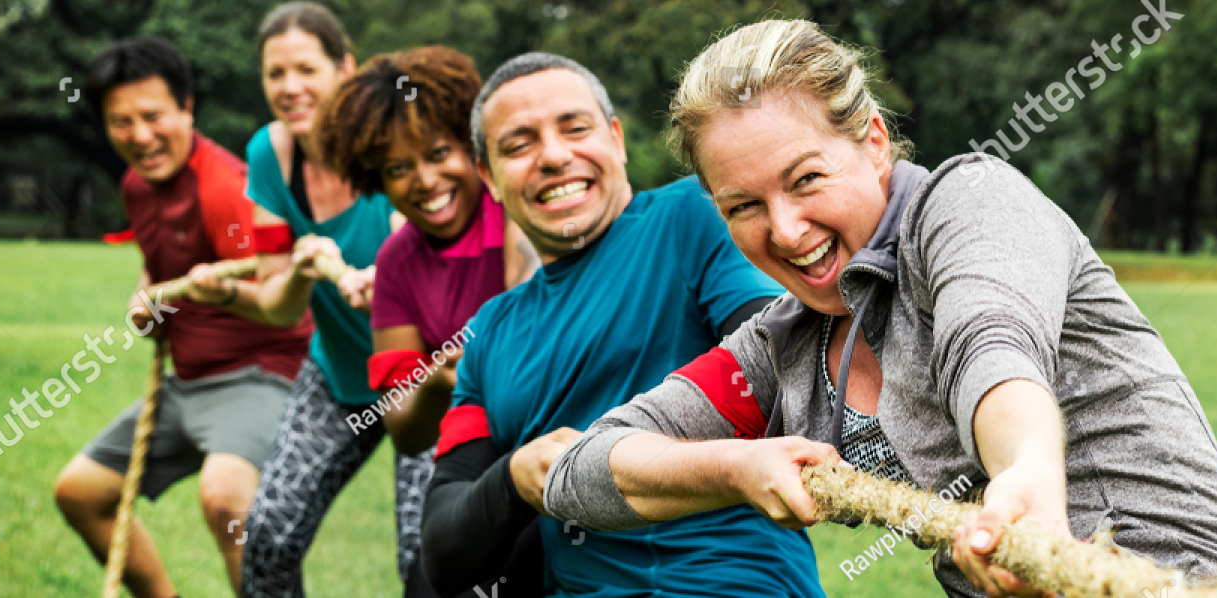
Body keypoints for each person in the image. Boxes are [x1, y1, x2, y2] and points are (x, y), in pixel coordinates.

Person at [544, 20, 1217, 598]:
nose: (784, 230)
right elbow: (580, 473)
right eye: (743, 205)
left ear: (874, 142)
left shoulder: (969, 204)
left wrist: (1026, 477)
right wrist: (738, 465)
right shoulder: (778, 350)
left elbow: (992, 346)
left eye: (806, 179)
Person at [418, 52, 824, 598]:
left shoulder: (693, 216)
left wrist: (614, 463)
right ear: (488, 177)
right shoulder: (489, 332)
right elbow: (443, 554)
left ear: (616, 137)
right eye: (519, 145)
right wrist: (517, 477)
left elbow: (786, 372)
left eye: (575, 128)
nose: (555, 156)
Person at [53, 36, 314, 597]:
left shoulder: (226, 189)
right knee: (80, 492)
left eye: (152, 116)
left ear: (186, 108)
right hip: (186, 383)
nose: (140, 136)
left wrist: (218, 294)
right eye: (121, 122)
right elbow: (160, 276)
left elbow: (281, 301)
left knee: (225, 498)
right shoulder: (136, 187)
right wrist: (147, 301)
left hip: (262, 372)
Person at [314, 45, 543, 594]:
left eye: (440, 152)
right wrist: (437, 381)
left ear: (472, 145)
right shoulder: (396, 261)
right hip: (473, 450)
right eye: (398, 168)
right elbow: (404, 427)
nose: (424, 180)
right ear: (376, 179)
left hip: (555, 445)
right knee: (430, 582)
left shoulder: (516, 210)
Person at [233, 3, 430, 596]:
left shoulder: (394, 142)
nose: (290, 88)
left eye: (305, 70)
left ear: (344, 67)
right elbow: (278, 307)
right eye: (275, 74)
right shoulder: (270, 156)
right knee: (266, 536)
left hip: (431, 380)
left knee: (426, 560)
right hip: (340, 375)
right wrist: (303, 266)